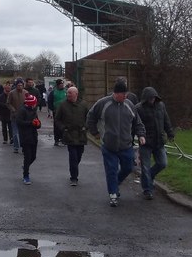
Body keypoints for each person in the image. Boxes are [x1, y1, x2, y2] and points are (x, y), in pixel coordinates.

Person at [86, 79, 146, 207]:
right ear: (116, 93)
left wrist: (141, 134)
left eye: (126, 94)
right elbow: (90, 116)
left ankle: (116, 182)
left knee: (128, 167)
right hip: (109, 145)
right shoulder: (103, 104)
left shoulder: (129, 105)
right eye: (123, 94)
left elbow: (137, 122)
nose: (125, 96)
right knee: (111, 170)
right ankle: (113, 194)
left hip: (126, 145)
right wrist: (95, 132)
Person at [134, 86, 175, 200]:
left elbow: (166, 120)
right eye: (150, 97)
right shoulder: (139, 108)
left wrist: (170, 133)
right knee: (145, 167)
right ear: (146, 98)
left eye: (154, 97)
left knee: (163, 163)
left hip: (159, 141)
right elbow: (136, 125)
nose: (152, 99)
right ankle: (147, 190)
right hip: (145, 142)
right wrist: (137, 136)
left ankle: (148, 177)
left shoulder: (161, 106)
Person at [54, 85, 89, 186]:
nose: (67, 94)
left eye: (70, 93)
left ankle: (74, 169)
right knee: (73, 156)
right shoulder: (63, 105)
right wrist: (63, 128)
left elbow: (89, 118)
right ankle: (74, 177)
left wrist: (86, 127)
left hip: (81, 134)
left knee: (79, 155)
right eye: (67, 92)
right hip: (69, 134)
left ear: (76, 94)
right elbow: (57, 119)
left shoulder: (84, 104)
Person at [15, 92, 41, 185]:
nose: (35, 104)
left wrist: (38, 124)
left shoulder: (34, 111)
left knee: (33, 157)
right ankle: (26, 175)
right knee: (27, 157)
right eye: (34, 103)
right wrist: (31, 123)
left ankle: (25, 167)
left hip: (33, 136)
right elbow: (19, 122)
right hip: (25, 137)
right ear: (31, 103)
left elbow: (37, 121)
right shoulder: (22, 110)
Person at [6, 78, 26, 153]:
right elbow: (8, 103)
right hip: (14, 116)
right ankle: (16, 146)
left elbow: (28, 102)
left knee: (23, 133)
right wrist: (13, 109)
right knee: (15, 133)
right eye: (18, 85)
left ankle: (23, 147)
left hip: (24, 116)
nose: (20, 86)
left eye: (21, 85)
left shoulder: (26, 92)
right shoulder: (11, 93)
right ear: (16, 85)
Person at [48, 78, 68, 145]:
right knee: (56, 126)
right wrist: (52, 109)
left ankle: (63, 139)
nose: (62, 85)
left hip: (65, 111)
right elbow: (50, 102)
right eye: (60, 84)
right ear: (57, 85)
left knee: (64, 125)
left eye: (62, 84)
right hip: (56, 111)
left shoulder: (66, 91)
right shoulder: (53, 92)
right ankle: (56, 139)